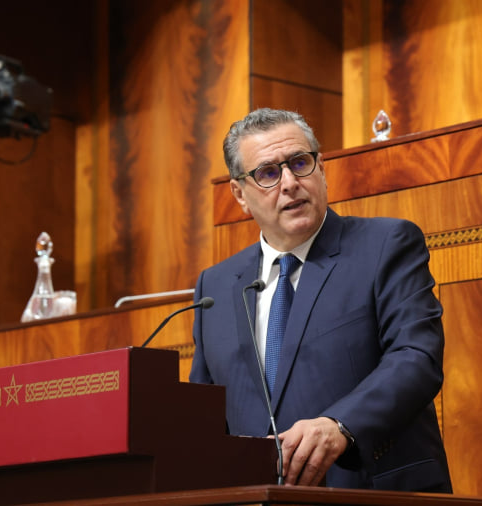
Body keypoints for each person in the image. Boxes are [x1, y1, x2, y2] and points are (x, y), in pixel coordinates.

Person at [189, 108, 452, 492]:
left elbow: (417, 357)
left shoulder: (386, 245)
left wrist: (340, 425)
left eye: (300, 163)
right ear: (240, 194)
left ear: (321, 169)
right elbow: (203, 415)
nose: (290, 183)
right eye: (268, 173)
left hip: (372, 493)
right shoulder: (214, 286)